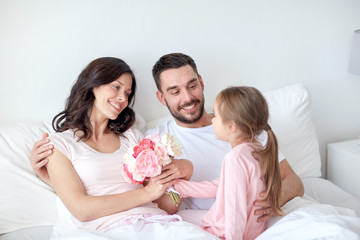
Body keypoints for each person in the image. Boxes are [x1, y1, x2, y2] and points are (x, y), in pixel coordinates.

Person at [30, 53, 304, 222]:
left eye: (192, 85)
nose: (187, 98)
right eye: (174, 91)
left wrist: (269, 202)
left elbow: (293, 181)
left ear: (202, 83)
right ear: (161, 98)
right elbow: (164, 200)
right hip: (200, 222)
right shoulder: (155, 141)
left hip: (256, 219)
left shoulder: (242, 127)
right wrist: (52, 178)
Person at [42, 57, 218, 239]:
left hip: (158, 224)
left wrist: (183, 177)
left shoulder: (132, 137)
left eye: (127, 93)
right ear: (93, 85)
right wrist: (146, 193)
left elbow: (166, 206)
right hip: (108, 231)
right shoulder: (59, 145)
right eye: (116, 87)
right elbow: (81, 210)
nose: (122, 99)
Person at [173, 86, 284, 240]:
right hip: (254, 230)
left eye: (216, 116)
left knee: (178, 218)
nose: (212, 119)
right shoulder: (257, 150)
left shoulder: (235, 158)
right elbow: (220, 187)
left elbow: (235, 211)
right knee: (184, 215)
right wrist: (180, 187)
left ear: (232, 127)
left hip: (230, 232)